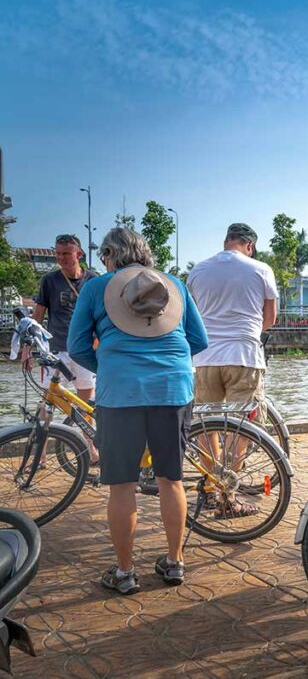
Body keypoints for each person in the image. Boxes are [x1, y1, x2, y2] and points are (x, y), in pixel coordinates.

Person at [67, 228, 208, 595]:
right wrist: (167, 361)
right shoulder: (174, 284)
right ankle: (175, 563)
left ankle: (125, 573)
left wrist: (112, 366)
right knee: (170, 479)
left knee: (122, 484)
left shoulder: (97, 288)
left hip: (120, 394)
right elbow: (200, 340)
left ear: (112, 253)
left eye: (104, 256)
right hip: (174, 390)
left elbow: (77, 345)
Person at [187, 223, 278, 516]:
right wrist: (247, 331)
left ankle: (211, 486)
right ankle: (230, 496)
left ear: (226, 242)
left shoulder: (198, 270)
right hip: (244, 355)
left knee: (205, 423)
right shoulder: (261, 269)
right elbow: (270, 318)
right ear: (249, 245)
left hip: (205, 357)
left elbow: (191, 316)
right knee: (244, 427)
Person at [24, 234, 99, 406]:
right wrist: (28, 348)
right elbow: (38, 316)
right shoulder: (49, 280)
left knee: (86, 403)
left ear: (78, 254)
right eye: (58, 253)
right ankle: (44, 431)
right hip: (56, 349)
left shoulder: (93, 281)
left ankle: (87, 434)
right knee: (49, 399)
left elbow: (99, 316)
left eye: (66, 253)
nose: (61, 258)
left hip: (85, 349)